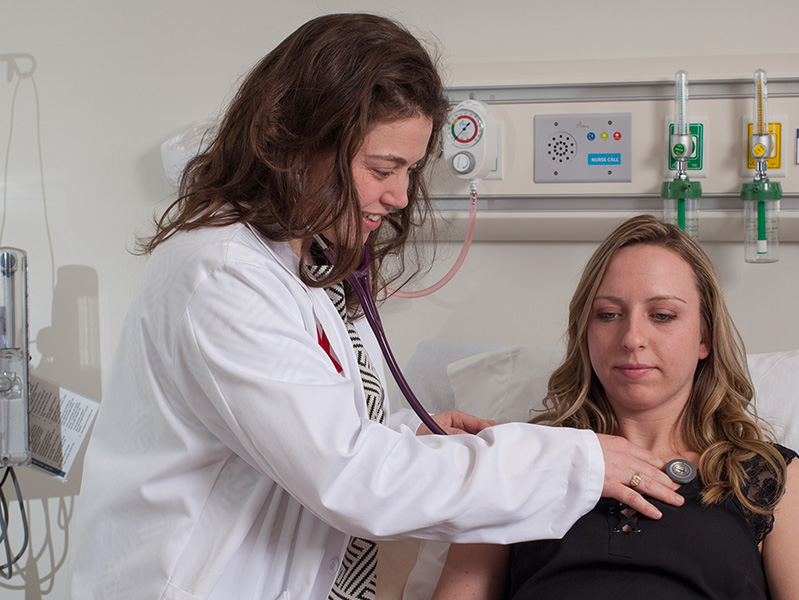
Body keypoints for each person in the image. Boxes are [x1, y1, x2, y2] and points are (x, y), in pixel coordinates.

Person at [68, 15, 683, 600]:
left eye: (410, 170)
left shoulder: (297, 265)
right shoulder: (224, 275)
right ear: (297, 143)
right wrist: (566, 462)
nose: (398, 196)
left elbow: (312, 431)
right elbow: (351, 479)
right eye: (381, 168)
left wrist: (407, 435)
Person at [433, 215, 799, 599]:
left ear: (705, 337)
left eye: (662, 315)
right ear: (585, 333)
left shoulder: (767, 480)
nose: (632, 337)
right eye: (609, 314)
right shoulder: (520, 461)